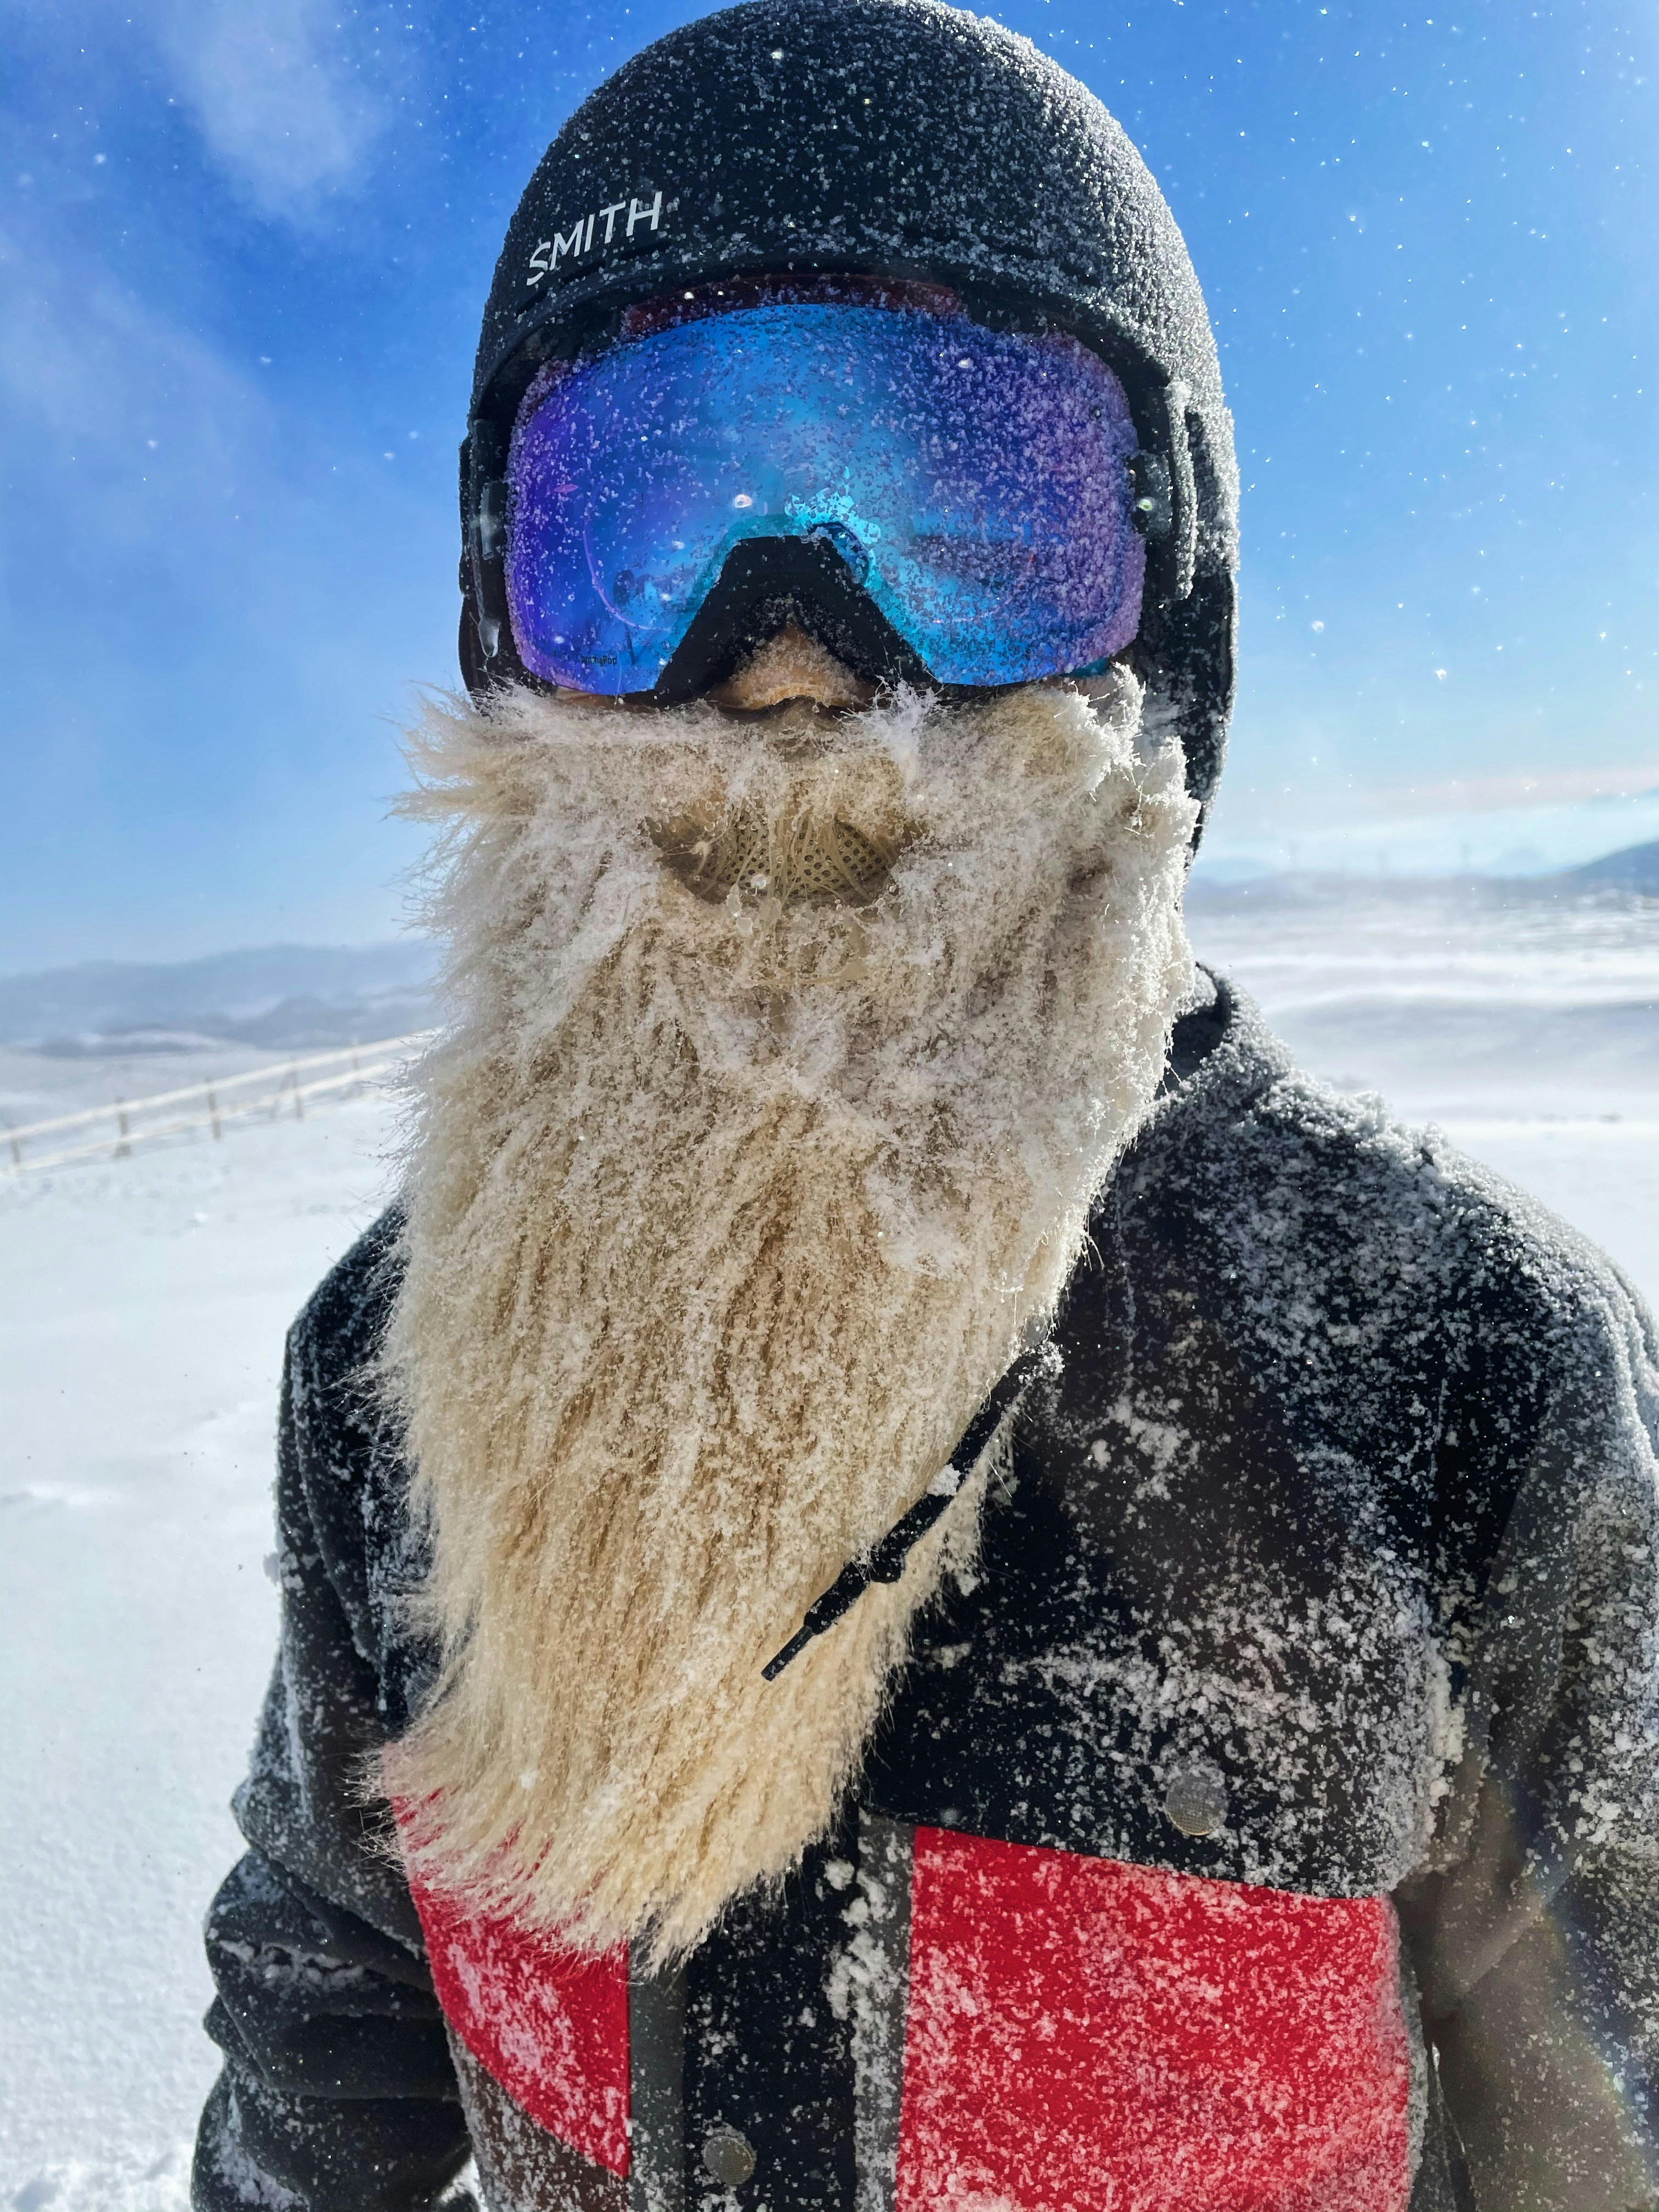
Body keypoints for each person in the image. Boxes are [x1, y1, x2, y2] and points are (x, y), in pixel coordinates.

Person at [191, 3, 1659, 2207]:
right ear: (499, 600)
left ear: (1171, 587)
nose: (789, 659)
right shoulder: (390, 1381)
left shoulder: (1455, 1373)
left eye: (971, 510)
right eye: (643, 536)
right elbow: (330, 2028)